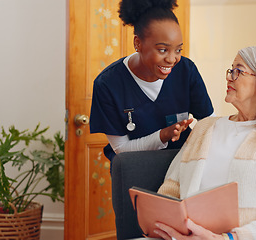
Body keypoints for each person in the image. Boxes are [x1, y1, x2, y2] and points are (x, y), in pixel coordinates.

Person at [155, 46, 256, 240]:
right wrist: (167, 227)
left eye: (238, 71)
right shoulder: (204, 128)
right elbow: (171, 187)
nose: (229, 77)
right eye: (231, 70)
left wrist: (228, 239)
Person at [89, 0, 214, 164]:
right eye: (163, 50)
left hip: (180, 164)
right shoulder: (108, 84)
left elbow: (210, 123)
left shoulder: (186, 71)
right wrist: (163, 135)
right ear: (138, 43)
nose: (172, 59)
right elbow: (121, 149)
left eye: (178, 50)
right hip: (134, 169)